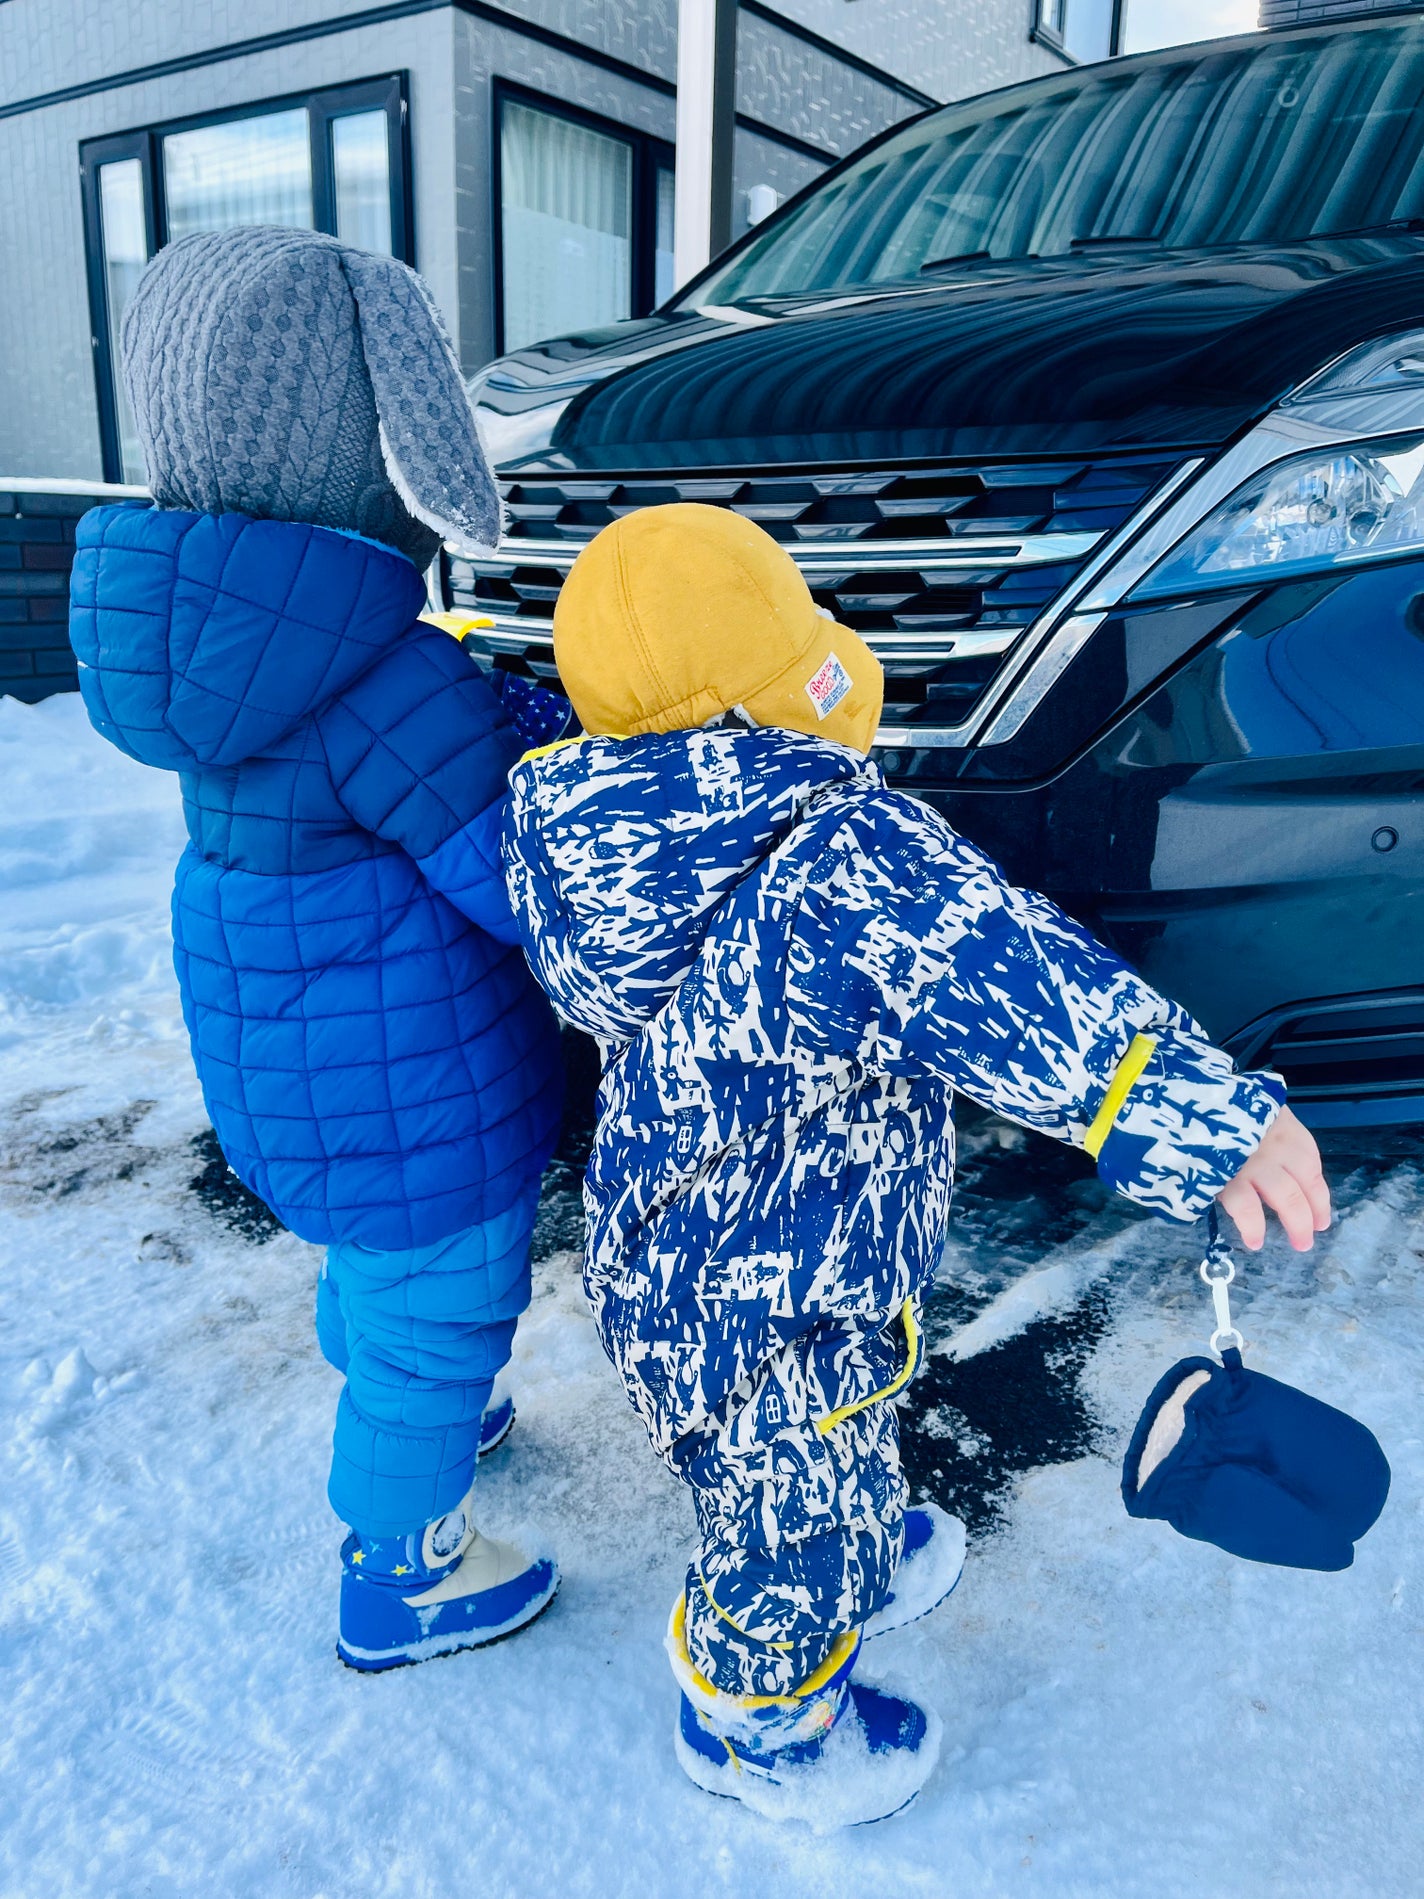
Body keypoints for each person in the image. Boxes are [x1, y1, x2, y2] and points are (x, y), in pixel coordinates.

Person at [501, 502, 1330, 1827]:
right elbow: (1011, 982)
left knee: (819, 1440)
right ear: (778, 694)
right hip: (777, 1294)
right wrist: (1205, 1118)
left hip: (686, 1263)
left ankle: (851, 1533)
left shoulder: (594, 855)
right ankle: (761, 1720)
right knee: (790, 1524)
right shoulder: (839, 859)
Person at [68, 227, 572, 1671]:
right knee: (440, 1299)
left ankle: (411, 1396)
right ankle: (401, 1566)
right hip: (411, 1077)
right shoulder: (384, 675)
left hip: (289, 1060)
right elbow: (503, 873)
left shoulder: (219, 650)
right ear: (375, 441)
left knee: (376, 1262)